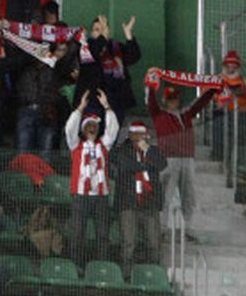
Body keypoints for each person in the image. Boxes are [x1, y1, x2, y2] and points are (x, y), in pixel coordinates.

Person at [149, 76, 218, 231]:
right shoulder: (159, 114)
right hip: (168, 159)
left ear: (179, 100)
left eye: (175, 99)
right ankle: (161, 228)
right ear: (164, 100)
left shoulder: (186, 114)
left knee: (189, 196)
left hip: (187, 159)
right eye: (170, 99)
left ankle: (187, 228)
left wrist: (213, 89)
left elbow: (200, 103)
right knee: (166, 195)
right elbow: (151, 102)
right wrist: (151, 87)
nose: (173, 102)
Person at [62, 90, 120, 262]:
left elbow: (113, 130)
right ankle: (76, 265)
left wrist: (107, 107)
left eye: (94, 124)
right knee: (78, 233)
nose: (92, 127)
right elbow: (69, 129)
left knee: (103, 234)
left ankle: (102, 265)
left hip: (101, 196)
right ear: (83, 128)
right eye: (88, 125)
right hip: (81, 195)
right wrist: (80, 109)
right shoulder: (76, 146)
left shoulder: (104, 145)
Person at [111, 122, 168, 268]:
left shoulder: (153, 151)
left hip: (150, 203)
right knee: (128, 242)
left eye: (141, 134)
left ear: (146, 136)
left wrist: (147, 151)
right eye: (135, 134)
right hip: (128, 203)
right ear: (129, 135)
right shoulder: (122, 150)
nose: (138, 137)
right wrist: (145, 166)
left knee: (154, 242)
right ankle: (126, 272)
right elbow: (125, 165)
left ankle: (154, 271)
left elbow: (162, 164)